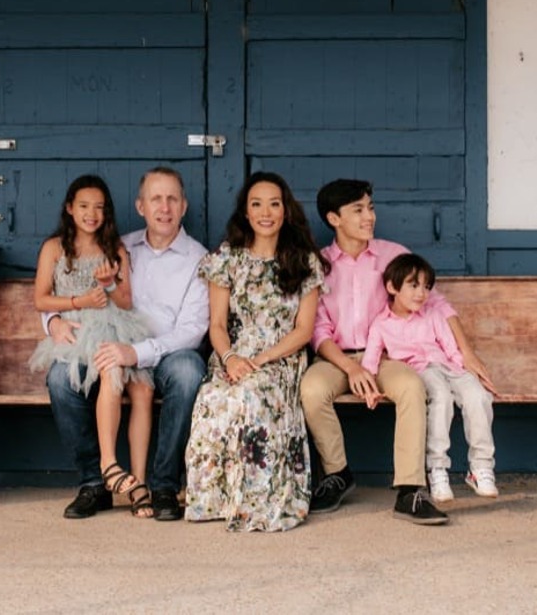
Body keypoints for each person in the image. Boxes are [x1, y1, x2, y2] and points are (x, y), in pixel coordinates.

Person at [301, 178, 497, 526]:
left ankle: (410, 489)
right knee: (311, 390)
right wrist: (351, 368)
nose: (369, 217)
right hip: (338, 357)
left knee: (412, 387)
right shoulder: (319, 264)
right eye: (358, 210)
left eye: (370, 208)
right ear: (334, 218)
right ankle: (337, 473)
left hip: (389, 357)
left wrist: (465, 351)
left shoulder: (394, 255)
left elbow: (437, 303)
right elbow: (318, 330)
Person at [43, 167, 209, 521]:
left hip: (163, 353)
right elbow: (65, 292)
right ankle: (94, 483)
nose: (164, 208)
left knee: (188, 371)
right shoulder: (120, 245)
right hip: (104, 342)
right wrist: (53, 322)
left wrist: (137, 352)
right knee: (60, 378)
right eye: (156, 199)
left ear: (184, 206)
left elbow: (192, 330)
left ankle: (163, 485)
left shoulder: (199, 258)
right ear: (140, 207)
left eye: (172, 199)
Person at [184, 172, 328, 532]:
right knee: (212, 398)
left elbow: (304, 331)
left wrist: (261, 360)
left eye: (274, 204)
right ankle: (215, 500)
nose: (266, 212)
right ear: (245, 213)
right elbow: (217, 324)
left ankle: (255, 501)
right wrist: (231, 359)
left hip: (281, 357)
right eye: (257, 204)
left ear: (286, 211)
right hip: (233, 353)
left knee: (251, 395)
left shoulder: (303, 261)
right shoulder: (228, 258)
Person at [30, 174, 155, 515]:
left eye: (99, 208)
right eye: (84, 206)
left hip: (114, 327)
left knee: (114, 371)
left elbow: (126, 300)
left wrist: (110, 284)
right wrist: (77, 302)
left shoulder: (114, 248)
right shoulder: (54, 248)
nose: (92, 214)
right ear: (70, 208)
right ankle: (94, 480)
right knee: (60, 379)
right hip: (75, 331)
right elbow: (41, 299)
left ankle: (109, 466)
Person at [362, 253, 498, 502]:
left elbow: (450, 347)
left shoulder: (433, 315)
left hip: (448, 366)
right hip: (420, 370)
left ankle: (480, 467)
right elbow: (370, 360)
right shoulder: (381, 324)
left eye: (426, 287)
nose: (421, 293)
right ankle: (437, 469)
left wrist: (468, 375)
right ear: (392, 287)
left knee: (479, 397)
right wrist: (369, 388)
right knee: (441, 399)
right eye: (413, 285)